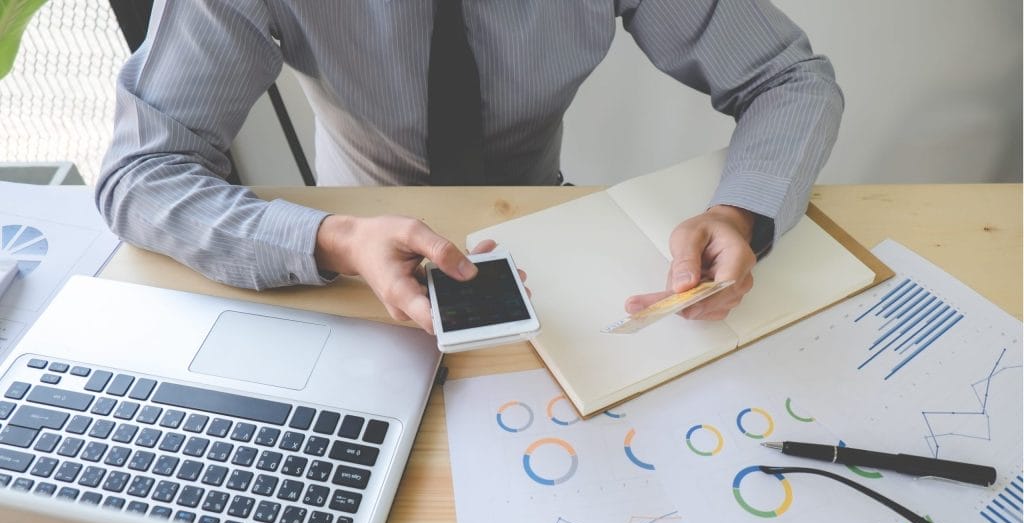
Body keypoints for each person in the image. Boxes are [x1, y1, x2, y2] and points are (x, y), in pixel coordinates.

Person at [96, 1, 842, 333]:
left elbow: (788, 78)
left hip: (542, 230)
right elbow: (141, 172)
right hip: (349, 258)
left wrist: (739, 211)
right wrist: (334, 240)